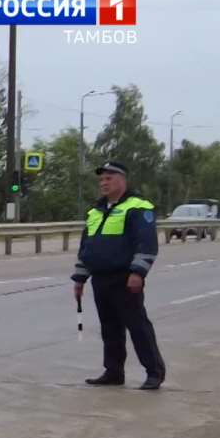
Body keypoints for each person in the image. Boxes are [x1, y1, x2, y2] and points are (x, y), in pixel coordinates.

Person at [72, 160, 166, 390]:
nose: (103, 183)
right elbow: (87, 247)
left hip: (125, 278)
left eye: (109, 178)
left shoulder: (138, 207)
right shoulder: (95, 211)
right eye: (101, 180)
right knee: (110, 328)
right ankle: (113, 371)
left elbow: (146, 244)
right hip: (101, 278)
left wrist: (138, 272)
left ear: (122, 180)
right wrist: (80, 278)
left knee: (137, 326)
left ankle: (154, 372)